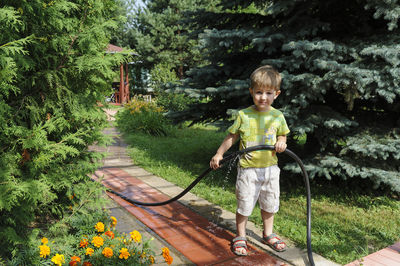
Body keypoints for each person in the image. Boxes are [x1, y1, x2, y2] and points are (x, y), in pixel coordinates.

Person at [210, 65, 290, 256]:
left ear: (276, 94)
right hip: (248, 170)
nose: (263, 97)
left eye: (268, 93)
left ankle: (268, 233)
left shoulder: (278, 116)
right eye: (259, 92)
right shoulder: (244, 115)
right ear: (251, 92)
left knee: (270, 204)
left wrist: (281, 141)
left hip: (270, 169)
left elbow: (283, 136)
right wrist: (219, 154)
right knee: (245, 204)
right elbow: (231, 137)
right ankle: (241, 235)